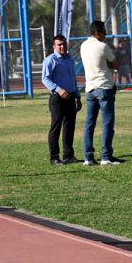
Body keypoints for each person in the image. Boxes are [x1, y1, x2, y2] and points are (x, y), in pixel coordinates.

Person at [79, 20, 122, 165]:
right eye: (104, 32)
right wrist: (108, 63)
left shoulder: (83, 45)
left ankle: (88, 157)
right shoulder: (103, 46)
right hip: (104, 87)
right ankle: (106, 156)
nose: (106, 34)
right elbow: (115, 64)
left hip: (90, 88)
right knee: (107, 123)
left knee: (89, 123)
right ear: (97, 33)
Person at [41, 33, 81, 165]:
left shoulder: (69, 59)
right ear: (54, 46)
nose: (62, 46)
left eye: (64, 44)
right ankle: (54, 158)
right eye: (59, 45)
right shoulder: (50, 60)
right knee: (56, 127)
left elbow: (73, 79)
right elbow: (45, 79)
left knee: (69, 127)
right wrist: (58, 89)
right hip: (57, 98)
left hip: (71, 97)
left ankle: (68, 155)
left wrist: (77, 96)